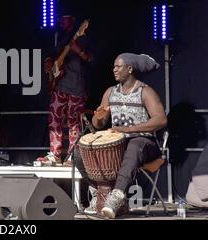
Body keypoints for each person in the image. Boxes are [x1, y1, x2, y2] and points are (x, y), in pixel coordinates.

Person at [77, 53, 167, 218]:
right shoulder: (110, 92)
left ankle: (116, 198)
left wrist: (129, 130)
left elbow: (161, 120)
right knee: (79, 152)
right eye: (114, 66)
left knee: (134, 145)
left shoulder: (145, 91)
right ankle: (98, 192)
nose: (114, 70)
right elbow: (98, 125)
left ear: (130, 69)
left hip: (145, 144)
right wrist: (98, 117)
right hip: (118, 145)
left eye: (118, 66)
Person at [36, 15, 92, 166]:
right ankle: (55, 155)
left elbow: (91, 59)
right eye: (60, 19)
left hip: (76, 87)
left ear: (73, 20)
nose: (61, 21)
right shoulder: (59, 37)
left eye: (64, 18)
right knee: (54, 118)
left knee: (74, 121)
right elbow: (54, 57)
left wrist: (78, 51)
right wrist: (48, 62)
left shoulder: (83, 38)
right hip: (60, 85)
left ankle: (73, 156)